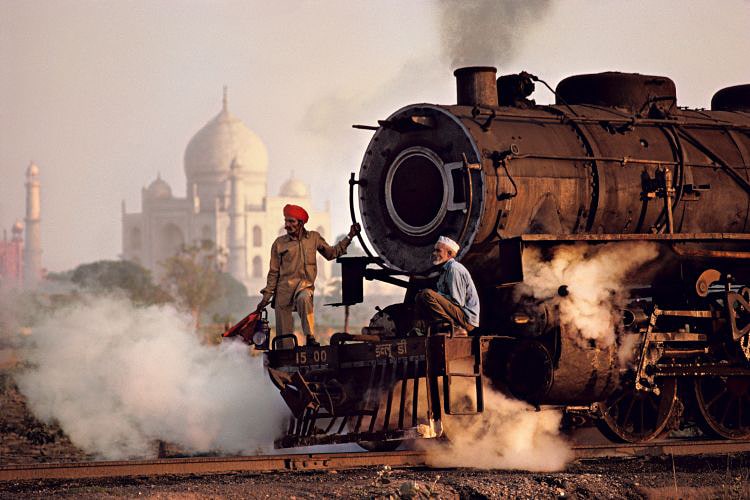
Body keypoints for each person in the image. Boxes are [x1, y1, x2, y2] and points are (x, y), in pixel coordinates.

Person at [256, 204, 360, 346]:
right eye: (286, 221)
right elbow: (274, 272)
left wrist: (350, 236)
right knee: (285, 343)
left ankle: (310, 338)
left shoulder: (313, 238)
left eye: (291, 221)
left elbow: (331, 254)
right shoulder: (279, 244)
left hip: (303, 287)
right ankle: (287, 362)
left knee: (304, 298)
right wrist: (266, 296)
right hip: (283, 293)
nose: (287, 225)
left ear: (301, 223)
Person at [414, 236, 480, 335]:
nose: (434, 253)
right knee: (419, 297)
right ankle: (430, 328)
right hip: (458, 314)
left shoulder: (454, 269)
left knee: (427, 294)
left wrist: (435, 296)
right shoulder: (445, 270)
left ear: (449, 253)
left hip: (466, 318)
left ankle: (455, 328)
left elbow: (457, 302)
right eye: (434, 250)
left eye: (438, 251)